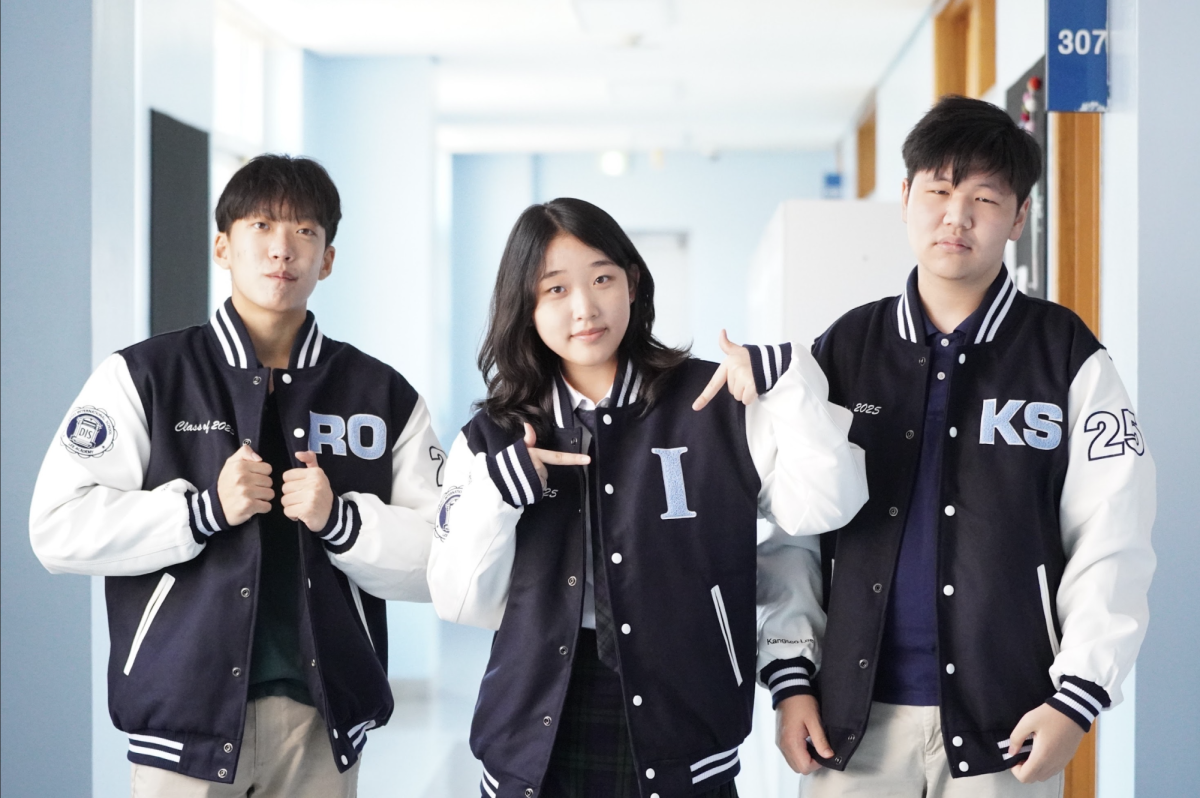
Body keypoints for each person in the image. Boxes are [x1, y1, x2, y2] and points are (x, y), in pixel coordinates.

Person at [29, 155, 444, 797]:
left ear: (328, 258)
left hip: (320, 722)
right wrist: (200, 512)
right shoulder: (145, 377)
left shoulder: (381, 394)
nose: (283, 247)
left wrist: (343, 521)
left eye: (305, 231)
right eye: (261, 225)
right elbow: (56, 529)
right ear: (224, 246)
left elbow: (441, 560)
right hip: (183, 726)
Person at [427, 197, 869, 798]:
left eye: (603, 279)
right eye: (554, 290)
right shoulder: (492, 435)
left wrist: (791, 385)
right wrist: (499, 495)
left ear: (632, 283)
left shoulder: (713, 403)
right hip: (534, 722)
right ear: (525, 307)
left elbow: (823, 510)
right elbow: (457, 598)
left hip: (686, 714)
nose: (584, 308)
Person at [788, 96, 1157, 797]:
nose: (956, 216)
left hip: (1009, 723)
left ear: (1019, 217)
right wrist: (791, 678)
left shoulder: (1066, 356)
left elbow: (1114, 534)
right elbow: (795, 536)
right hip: (852, 723)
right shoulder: (843, 351)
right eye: (938, 191)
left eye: (985, 198)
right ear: (904, 197)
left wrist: (1077, 697)